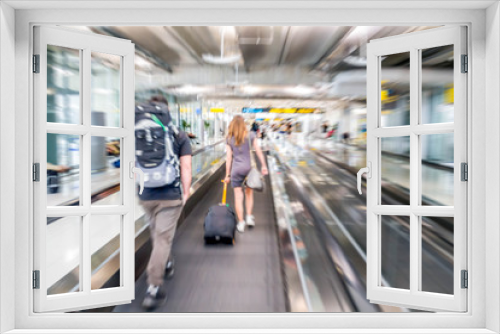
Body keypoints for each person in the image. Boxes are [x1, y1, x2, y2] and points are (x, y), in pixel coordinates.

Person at [138, 96, 192, 311]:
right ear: (167, 112)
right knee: (163, 238)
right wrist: (186, 191)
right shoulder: (179, 135)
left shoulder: (138, 133)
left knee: (157, 234)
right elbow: (186, 167)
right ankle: (153, 288)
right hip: (170, 194)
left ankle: (166, 263)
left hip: (145, 194)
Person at [224, 115, 268, 233]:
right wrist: (263, 165)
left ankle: (241, 223)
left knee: (238, 197)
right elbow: (258, 151)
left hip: (236, 170)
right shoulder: (250, 136)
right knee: (249, 194)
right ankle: (249, 217)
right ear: (244, 125)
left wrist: (227, 175)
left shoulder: (229, 139)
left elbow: (228, 158)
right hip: (248, 169)